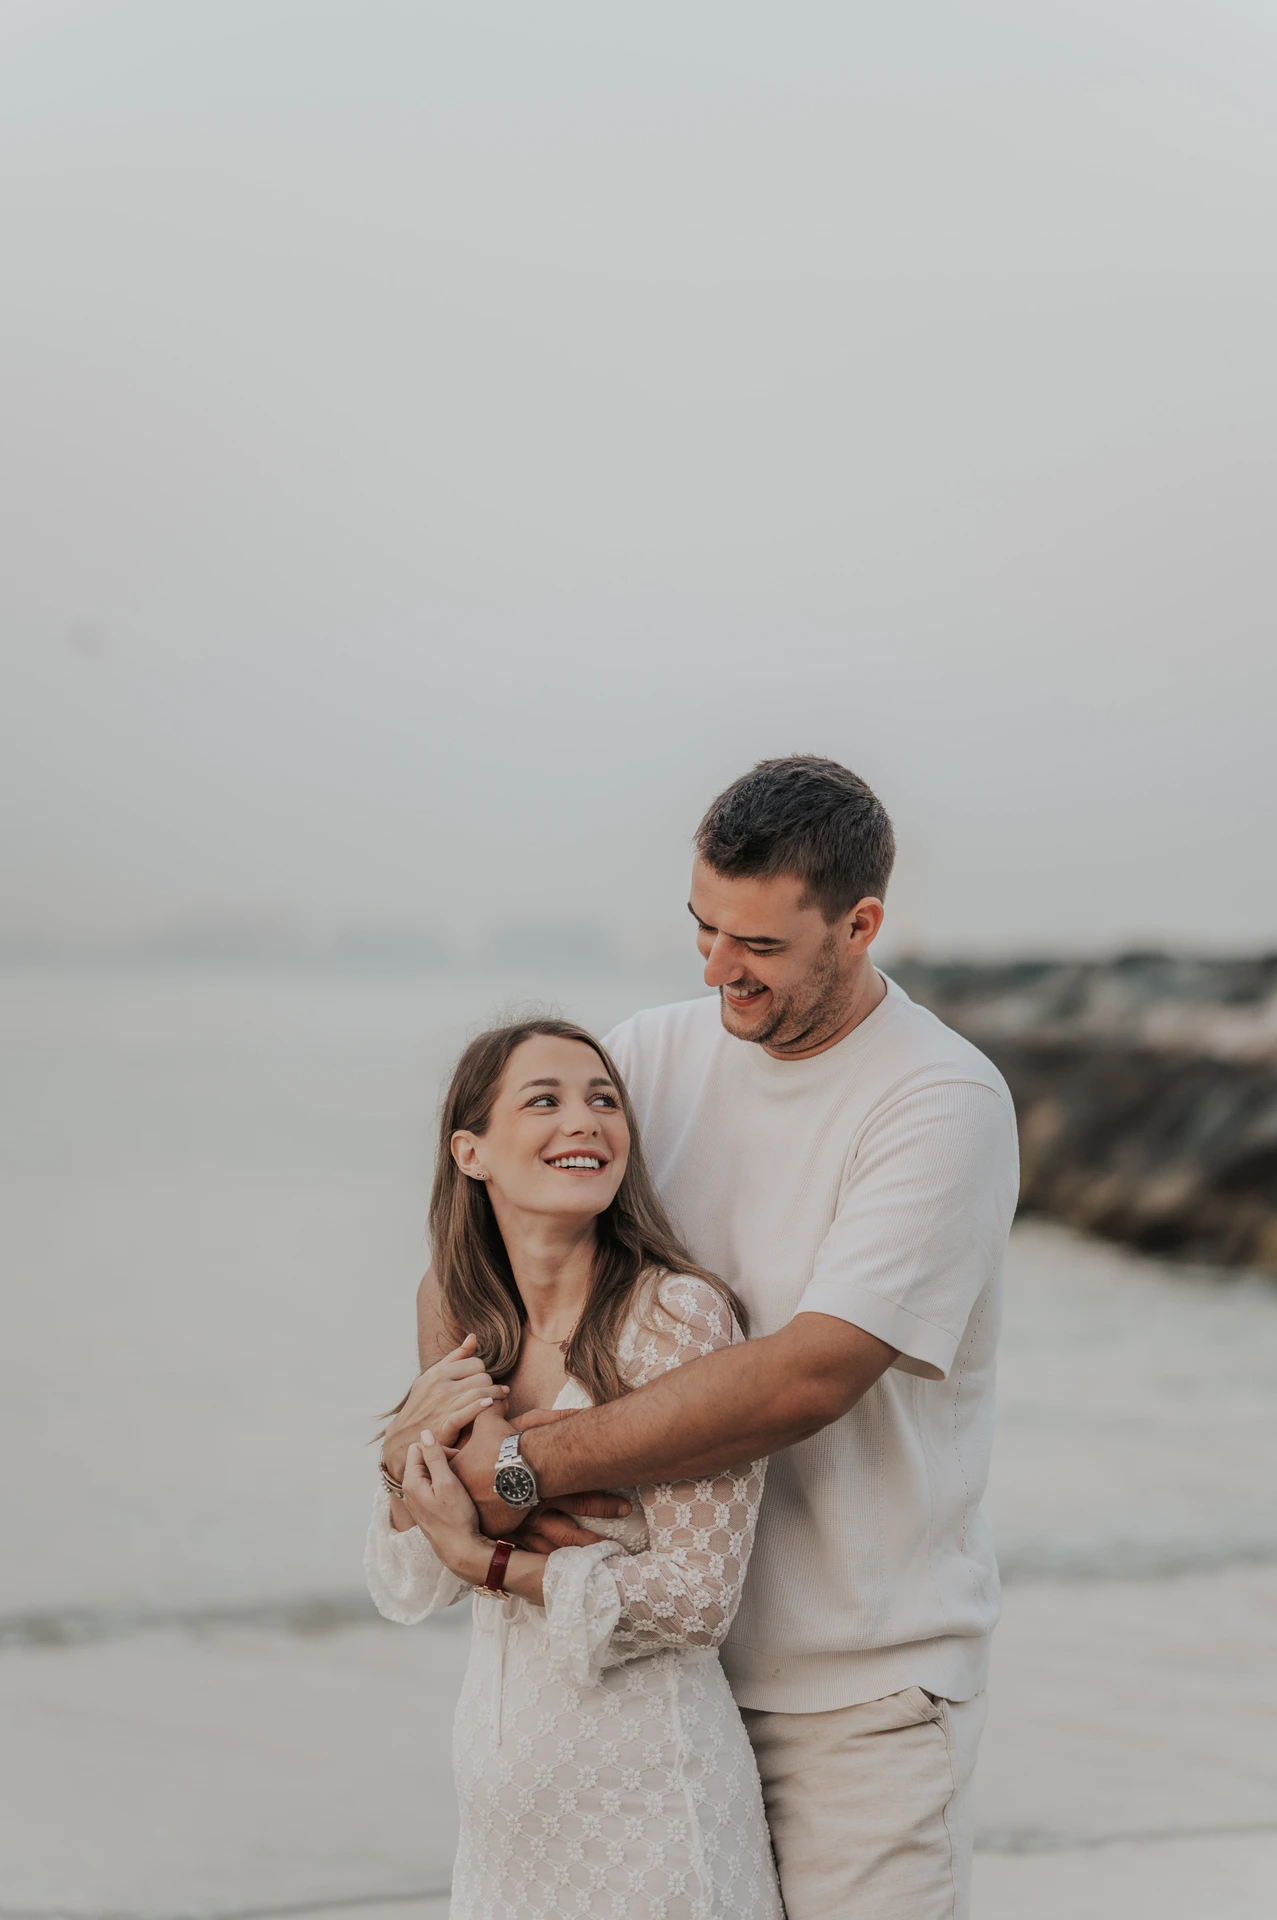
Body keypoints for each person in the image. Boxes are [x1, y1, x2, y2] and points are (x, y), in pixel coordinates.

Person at [382, 754, 1021, 1920]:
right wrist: (460, 1423)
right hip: (649, 1682)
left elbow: (806, 1376)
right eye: (702, 928)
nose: (719, 968)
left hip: (858, 1693)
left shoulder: (936, 1101)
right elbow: (475, 1249)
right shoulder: (653, 1056)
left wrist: (518, 1472)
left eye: (760, 947)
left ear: (860, 923)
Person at [366, 1017, 783, 1920]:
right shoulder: (465, 1318)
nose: (585, 1121)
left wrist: (490, 1559)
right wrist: (408, 1459)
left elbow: (696, 1600)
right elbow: (405, 1581)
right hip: (500, 1814)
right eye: (544, 1100)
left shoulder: (676, 1317)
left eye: (604, 1100)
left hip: (650, 1812)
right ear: (470, 1151)